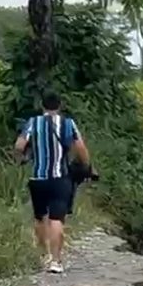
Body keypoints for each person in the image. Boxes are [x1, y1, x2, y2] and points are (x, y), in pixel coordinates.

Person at [14, 91, 89, 274]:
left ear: (43, 106)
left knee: (40, 217)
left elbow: (18, 146)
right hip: (60, 179)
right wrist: (86, 165)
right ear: (60, 106)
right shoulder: (68, 123)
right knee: (56, 219)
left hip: (38, 178)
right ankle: (56, 261)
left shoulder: (33, 123)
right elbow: (80, 149)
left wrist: (20, 159)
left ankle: (43, 256)